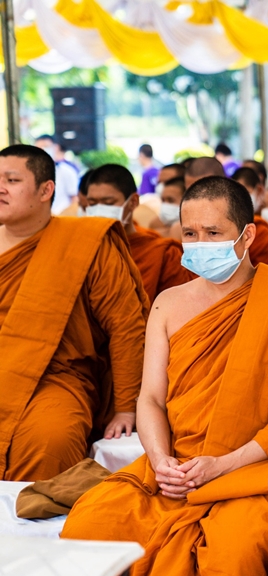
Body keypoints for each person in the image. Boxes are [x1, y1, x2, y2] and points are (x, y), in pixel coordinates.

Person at [61, 176, 268, 576]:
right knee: (91, 524)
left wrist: (224, 464)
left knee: (233, 552)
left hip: (257, 467)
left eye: (213, 233)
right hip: (176, 464)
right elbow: (151, 398)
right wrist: (161, 460)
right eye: (190, 234)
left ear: (247, 235)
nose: (200, 244)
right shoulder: (168, 303)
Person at [0, 145, 148, 481]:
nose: (1, 188)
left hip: (57, 380)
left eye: (12, 180)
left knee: (51, 440)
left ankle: (34, 516)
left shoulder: (85, 243)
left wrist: (127, 407)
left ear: (46, 190)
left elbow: (126, 327)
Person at [85, 164, 192, 302]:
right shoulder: (82, 248)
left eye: (109, 203)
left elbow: (177, 305)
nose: (99, 210)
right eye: (92, 203)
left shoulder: (162, 253)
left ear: (133, 202)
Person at [34, 134, 79, 215]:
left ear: (55, 148)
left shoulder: (66, 170)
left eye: (46, 147)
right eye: (39, 149)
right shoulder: (33, 173)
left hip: (63, 217)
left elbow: (75, 198)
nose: (43, 151)